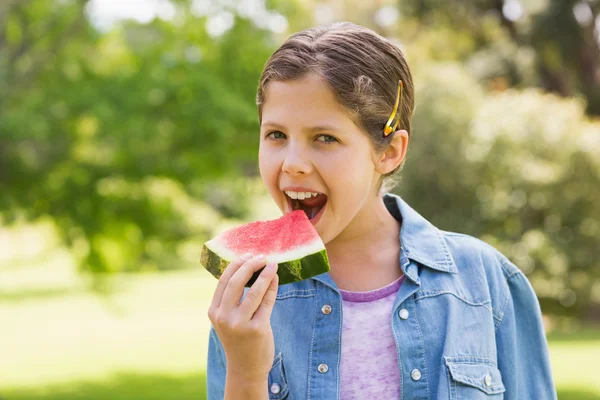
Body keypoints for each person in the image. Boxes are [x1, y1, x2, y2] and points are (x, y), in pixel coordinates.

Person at [206, 22, 557, 399]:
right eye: (276, 135)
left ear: (388, 152)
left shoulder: (486, 282)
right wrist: (245, 370)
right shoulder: (249, 299)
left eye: (325, 138)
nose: (292, 163)